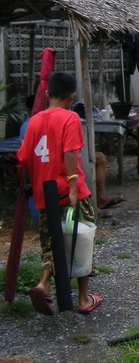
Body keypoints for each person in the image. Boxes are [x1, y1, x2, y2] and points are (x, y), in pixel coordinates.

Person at [17, 71, 102, 316]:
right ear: (72, 95)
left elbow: (23, 158)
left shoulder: (34, 121)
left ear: (47, 94)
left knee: (51, 241)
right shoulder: (70, 118)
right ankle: (84, 299)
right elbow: (70, 153)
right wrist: (74, 187)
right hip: (70, 192)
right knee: (81, 241)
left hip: (45, 195)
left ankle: (42, 284)